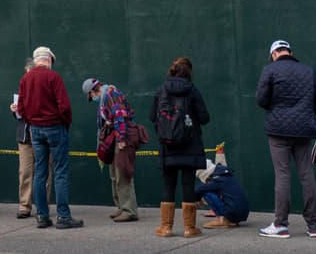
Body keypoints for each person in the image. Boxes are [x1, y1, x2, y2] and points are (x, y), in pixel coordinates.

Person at [255, 40, 316, 239]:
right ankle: (313, 225)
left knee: (282, 174)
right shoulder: (309, 71)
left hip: (278, 129)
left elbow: (261, 99)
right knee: (306, 174)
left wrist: (275, 109)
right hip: (303, 129)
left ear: (274, 54)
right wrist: (307, 118)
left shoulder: (270, 70)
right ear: (290, 52)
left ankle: (281, 224)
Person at [18, 46, 82, 229]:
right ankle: (63, 217)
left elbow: (21, 108)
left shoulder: (25, 78)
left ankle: (42, 216)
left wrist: (32, 120)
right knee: (60, 172)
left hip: (35, 129)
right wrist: (64, 123)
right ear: (48, 60)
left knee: (40, 173)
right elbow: (65, 107)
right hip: (55, 127)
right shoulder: (54, 77)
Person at [149, 57, 210, 238]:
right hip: (190, 145)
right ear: (189, 71)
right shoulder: (192, 91)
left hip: (168, 146)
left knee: (168, 185)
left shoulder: (161, 89)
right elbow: (205, 118)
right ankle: (189, 228)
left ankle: (166, 227)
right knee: (188, 185)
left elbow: (152, 116)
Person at [82, 76, 138, 222]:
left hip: (121, 138)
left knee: (122, 174)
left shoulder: (111, 94)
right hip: (113, 138)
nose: (92, 98)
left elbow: (120, 116)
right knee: (114, 174)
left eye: (91, 96)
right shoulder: (105, 96)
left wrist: (121, 140)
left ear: (93, 91)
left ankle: (129, 210)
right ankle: (120, 206)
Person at [11, 58, 48, 219]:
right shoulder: (23, 87)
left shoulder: (42, 87)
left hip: (40, 135)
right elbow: (21, 114)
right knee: (25, 172)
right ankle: (25, 205)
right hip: (25, 136)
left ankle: (42, 205)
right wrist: (15, 109)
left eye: (29, 72)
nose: (26, 75)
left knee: (44, 172)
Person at [196, 159, 250, 229]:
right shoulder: (225, 176)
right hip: (241, 213)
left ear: (206, 175)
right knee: (212, 191)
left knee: (206, 192)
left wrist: (197, 198)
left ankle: (221, 220)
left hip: (233, 212)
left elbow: (198, 189)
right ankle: (231, 221)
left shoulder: (218, 180)